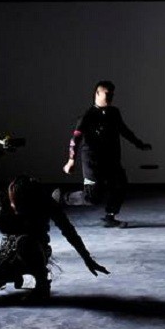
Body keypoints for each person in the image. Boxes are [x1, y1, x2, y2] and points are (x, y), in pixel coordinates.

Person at [0, 175, 109, 303]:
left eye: (23, 206)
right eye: (16, 206)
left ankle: (42, 285)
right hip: (7, 252)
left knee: (25, 241)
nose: (19, 211)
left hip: (35, 251)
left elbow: (69, 231)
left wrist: (88, 259)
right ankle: (10, 275)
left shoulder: (45, 202)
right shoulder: (1, 202)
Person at [56, 80, 152, 228]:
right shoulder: (87, 117)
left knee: (120, 186)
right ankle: (62, 198)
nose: (111, 96)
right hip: (92, 162)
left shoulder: (114, 113)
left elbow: (124, 130)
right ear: (97, 93)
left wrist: (139, 144)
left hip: (112, 160)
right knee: (92, 198)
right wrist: (71, 160)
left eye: (112, 93)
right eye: (107, 93)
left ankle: (110, 216)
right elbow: (75, 139)